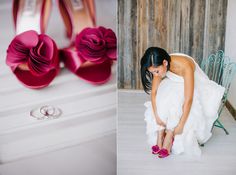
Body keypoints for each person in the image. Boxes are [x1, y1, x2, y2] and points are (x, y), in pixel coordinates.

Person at [140, 47, 225, 158]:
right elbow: (154, 92)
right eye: (152, 73)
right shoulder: (158, 64)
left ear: (165, 63)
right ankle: (160, 135)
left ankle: (169, 135)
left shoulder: (185, 66)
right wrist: (156, 115)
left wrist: (180, 125)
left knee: (176, 99)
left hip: (194, 84)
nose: (155, 75)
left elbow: (188, 99)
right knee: (163, 94)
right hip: (175, 83)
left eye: (156, 71)